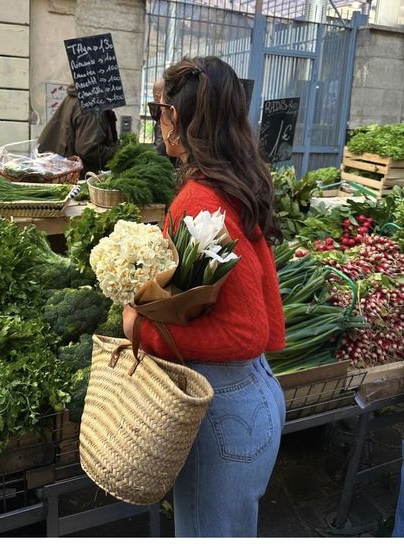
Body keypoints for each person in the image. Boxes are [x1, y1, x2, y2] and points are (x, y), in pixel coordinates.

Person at [123, 56, 286, 537]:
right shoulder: (236, 184)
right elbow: (263, 309)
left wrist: (142, 327)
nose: (159, 125)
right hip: (249, 394)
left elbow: (245, 330)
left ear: (178, 118)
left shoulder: (200, 199)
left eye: (159, 113)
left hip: (223, 408)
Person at [37, 84, 118, 179]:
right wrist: (117, 153)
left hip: (62, 171)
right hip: (75, 178)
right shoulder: (91, 106)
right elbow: (89, 149)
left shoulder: (77, 97)